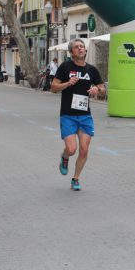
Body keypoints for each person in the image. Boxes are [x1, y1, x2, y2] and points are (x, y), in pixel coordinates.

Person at [51, 39, 105, 191]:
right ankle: (65, 157)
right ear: (71, 52)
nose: (80, 49)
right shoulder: (65, 67)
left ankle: (75, 178)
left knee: (84, 149)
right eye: (76, 47)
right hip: (68, 115)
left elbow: (103, 89)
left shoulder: (92, 70)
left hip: (85, 116)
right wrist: (67, 83)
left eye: (82, 46)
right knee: (72, 149)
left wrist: (97, 90)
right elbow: (53, 87)